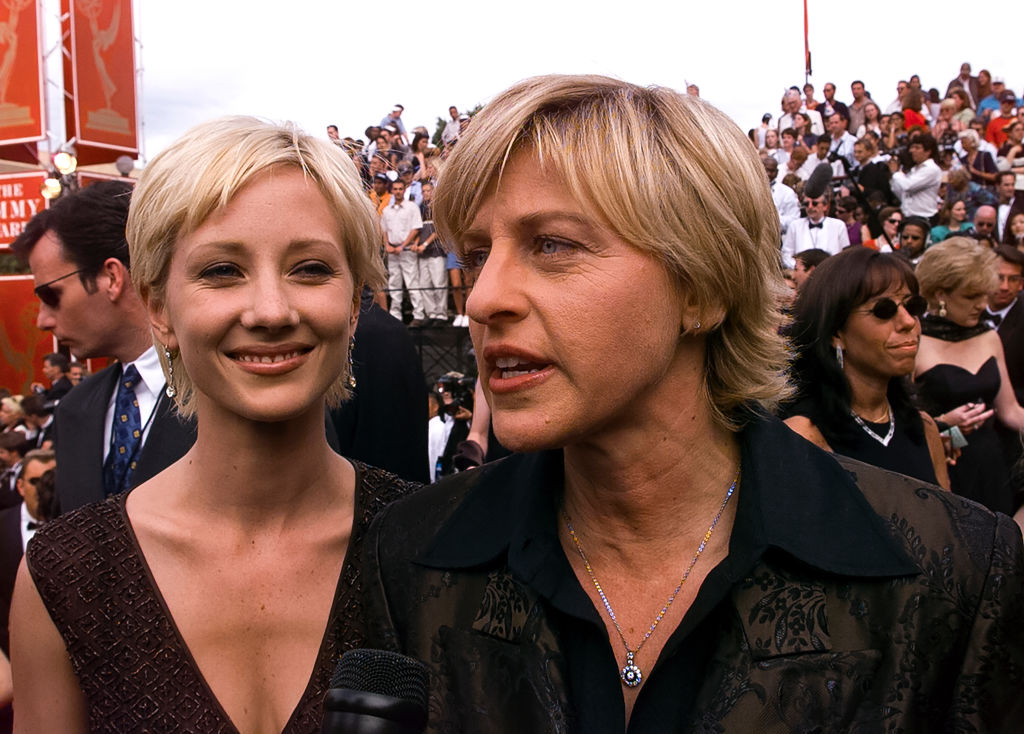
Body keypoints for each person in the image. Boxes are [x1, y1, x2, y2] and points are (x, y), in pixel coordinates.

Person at [361, 75, 1024, 732]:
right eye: (477, 256)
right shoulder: (410, 560)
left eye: (551, 245)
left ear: (702, 289)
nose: (482, 299)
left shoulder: (952, 573)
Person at [10, 117, 412, 732]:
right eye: (222, 271)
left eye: (310, 269)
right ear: (158, 310)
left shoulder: (439, 550)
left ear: (354, 303)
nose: (272, 311)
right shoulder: (63, 577)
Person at [11, 181, 196, 514]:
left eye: (51, 297)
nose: (42, 320)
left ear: (112, 277)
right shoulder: (74, 410)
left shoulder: (229, 391)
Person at [784, 248, 947, 488]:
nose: (908, 322)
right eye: (884, 310)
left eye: (913, 307)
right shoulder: (802, 435)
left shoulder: (924, 428)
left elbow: (948, 523)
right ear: (836, 332)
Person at [914, 237, 1024, 515]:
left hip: (991, 464)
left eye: (983, 295)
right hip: (938, 465)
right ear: (940, 293)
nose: (981, 305)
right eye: (971, 297)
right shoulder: (913, 339)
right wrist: (943, 425)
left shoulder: (989, 337)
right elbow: (898, 419)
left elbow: (1010, 411)